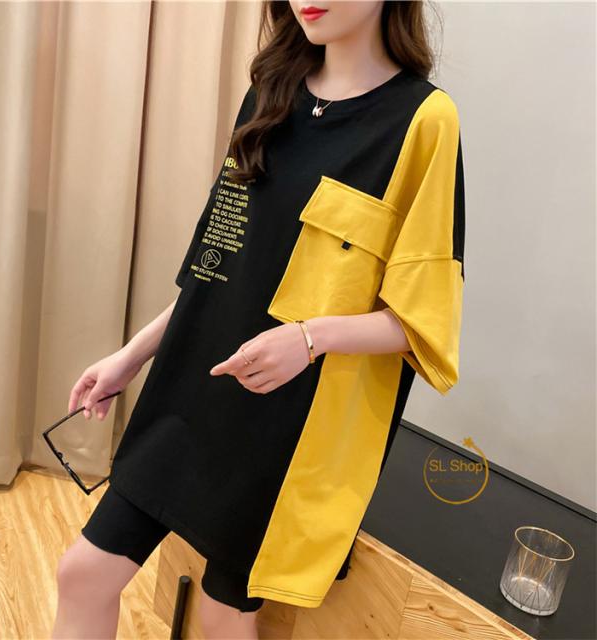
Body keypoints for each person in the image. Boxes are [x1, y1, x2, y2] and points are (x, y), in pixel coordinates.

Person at [51, 1, 466, 638]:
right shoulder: (269, 93)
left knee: (223, 616)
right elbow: (216, 270)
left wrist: (309, 338)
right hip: (190, 394)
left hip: (288, 429)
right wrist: (130, 356)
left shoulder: (424, 122)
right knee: (83, 574)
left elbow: (422, 321)